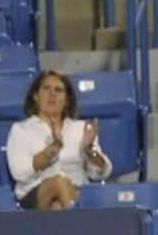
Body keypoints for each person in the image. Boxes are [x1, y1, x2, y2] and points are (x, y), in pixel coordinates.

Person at [6, 70, 111, 209]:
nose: (52, 94)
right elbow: (19, 173)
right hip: (36, 194)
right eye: (46, 89)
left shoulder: (81, 129)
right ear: (36, 96)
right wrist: (54, 148)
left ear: (67, 100)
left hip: (77, 191)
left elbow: (101, 173)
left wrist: (90, 150)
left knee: (57, 207)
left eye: (58, 90)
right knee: (58, 182)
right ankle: (83, 226)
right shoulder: (21, 130)